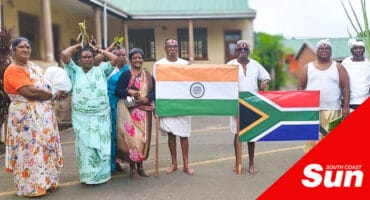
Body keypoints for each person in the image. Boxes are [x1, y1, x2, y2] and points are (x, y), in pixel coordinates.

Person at [3, 37, 65, 197]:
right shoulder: (13, 70)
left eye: (28, 47)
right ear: (13, 50)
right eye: (21, 47)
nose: (25, 49)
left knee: (45, 147)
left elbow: (43, 86)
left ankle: (48, 182)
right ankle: (31, 187)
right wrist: (53, 94)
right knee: (29, 150)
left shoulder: (33, 67)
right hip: (24, 118)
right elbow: (31, 92)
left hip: (42, 119)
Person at [61, 43, 118, 186]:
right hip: (82, 120)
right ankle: (88, 178)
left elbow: (115, 59)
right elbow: (64, 55)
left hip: (101, 118)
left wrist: (98, 49)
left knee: (102, 145)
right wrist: (78, 46)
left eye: (89, 57)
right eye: (84, 57)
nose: (87, 59)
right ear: (79, 60)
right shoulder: (75, 70)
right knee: (85, 148)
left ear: (94, 59)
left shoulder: (101, 69)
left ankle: (103, 176)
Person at [297, 38, 350, 153]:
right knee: (312, 140)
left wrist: (345, 107)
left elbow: (345, 88)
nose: (324, 50)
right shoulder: (307, 67)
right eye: (321, 48)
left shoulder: (338, 67)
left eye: (327, 48)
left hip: (333, 110)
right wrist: (301, 107)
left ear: (331, 51)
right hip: (312, 111)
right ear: (316, 51)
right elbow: (300, 88)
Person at [227, 40, 270, 174]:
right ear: (236, 51)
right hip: (236, 103)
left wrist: (264, 82)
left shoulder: (255, 65)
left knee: (251, 134)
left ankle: (251, 162)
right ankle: (237, 162)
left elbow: (266, 76)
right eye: (240, 49)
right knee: (237, 134)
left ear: (249, 51)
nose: (243, 51)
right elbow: (220, 79)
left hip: (252, 103)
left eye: (245, 49)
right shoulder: (230, 65)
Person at [153, 38, 194, 175]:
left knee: (184, 135)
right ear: (165, 48)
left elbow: (190, 83)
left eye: (175, 46)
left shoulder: (185, 64)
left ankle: (186, 165)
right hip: (167, 104)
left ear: (178, 48)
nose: (172, 48)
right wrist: (156, 106)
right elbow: (156, 85)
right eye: (169, 46)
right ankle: (174, 163)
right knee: (171, 134)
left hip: (183, 105)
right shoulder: (158, 65)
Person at [115, 48, 155, 179]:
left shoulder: (148, 75)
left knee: (143, 140)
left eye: (140, 57)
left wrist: (147, 98)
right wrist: (129, 92)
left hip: (144, 113)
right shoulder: (126, 74)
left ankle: (141, 167)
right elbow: (117, 92)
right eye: (135, 58)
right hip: (128, 112)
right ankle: (133, 169)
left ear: (142, 59)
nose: (138, 60)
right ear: (130, 60)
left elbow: (155, 91)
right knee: (132, 141)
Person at [97, 42, 130, 173]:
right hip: (107, 105)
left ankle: (119, 160)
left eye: (123, 54)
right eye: (118, 55)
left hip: (122, 106)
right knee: (108, 135)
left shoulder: (128, 70)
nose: (121, 57)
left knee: (120, 135)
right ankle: (109, 164)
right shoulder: (106, 68)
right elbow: (97, 60)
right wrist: (107, 49)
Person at [341, 38, 370, 112]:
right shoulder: (345, 63)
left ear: (364, 49)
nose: (358, 50)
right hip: (349, 103)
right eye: (355, 48)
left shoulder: (368, 63)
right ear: (351, 50)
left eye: (360, 48)